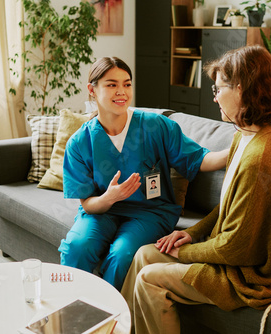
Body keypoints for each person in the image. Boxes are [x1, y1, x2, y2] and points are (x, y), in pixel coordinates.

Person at [121, 45, 271, 333]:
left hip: (247, 274)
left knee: (148, 278)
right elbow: (231, 205)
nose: (215, 97)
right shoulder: (244, 135)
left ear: (242, 89)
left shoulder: (262, 156)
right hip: (231, 256)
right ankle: (122, 328)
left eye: (219, 89)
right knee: (144, 253)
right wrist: (191, 233)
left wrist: (187, 252)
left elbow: (236, 248)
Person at [59, 56, 230, 291]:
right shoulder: (80, 142)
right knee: (77, 247)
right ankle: (74, 308)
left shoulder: (156, 126)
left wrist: (236, 150)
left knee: (122, 254)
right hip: (103, 210)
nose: (122, 91)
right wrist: (110, 197)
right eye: (112, 84)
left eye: (127, 84)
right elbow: (88, 204)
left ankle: (112, 318)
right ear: (92, 89)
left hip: (151, 211)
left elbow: (197, 158)